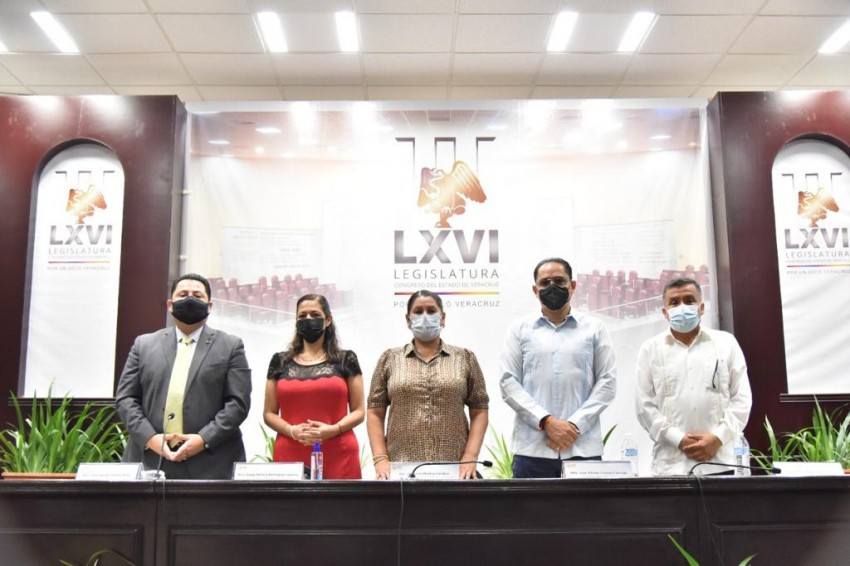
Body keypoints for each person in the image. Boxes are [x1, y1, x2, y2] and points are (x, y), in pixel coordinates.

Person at [115, 273, 252, 480]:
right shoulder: (143, 345)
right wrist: (151, 438)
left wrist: (203, 439)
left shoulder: (231, 346)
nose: (190, 299)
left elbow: (238, 403)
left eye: (197, 295)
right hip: (149, 459)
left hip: (212, 463)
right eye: (183, 294)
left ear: (209, 305)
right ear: (170, 305)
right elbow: (126, 398)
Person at [500, 258, 617, 478]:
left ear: (572, 285)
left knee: (586, 504)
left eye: (559, 281)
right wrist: (547, 422)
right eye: (545, 283)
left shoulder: (595, 328)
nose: (552, 287)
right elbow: (508, 382)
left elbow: (607, 382)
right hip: (532, 451)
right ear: (535, 290)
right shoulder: (519, 330)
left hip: (582, 448)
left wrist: (573, 425)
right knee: (529, 503)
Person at [367, 290, 489, 480]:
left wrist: (470, 456)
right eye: (418, 311)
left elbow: (480, 409)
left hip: (455, 469)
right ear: (408, 320)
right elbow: (375, 412)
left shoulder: (464, 358)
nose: (425, 316)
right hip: (401, 470)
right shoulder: (389, 359)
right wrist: (380, 459)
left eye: (431, 311)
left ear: (443, 318)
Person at [636, 277, 752, 476]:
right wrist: (679, 440)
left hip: (721, 462)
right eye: (674, 302)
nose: (682, 307)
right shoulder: (650, 349)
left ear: (701, 307)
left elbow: (742, 399)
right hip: (671, 465)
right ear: (665, 312)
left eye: (689, 301)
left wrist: (717, 438)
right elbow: (644, 407)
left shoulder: (726, 343)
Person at [264, 294, 364, 479]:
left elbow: (359, 411)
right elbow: (269, 413)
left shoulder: (346, 359)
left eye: (315, 314)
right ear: (296, 321)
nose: (308, 319)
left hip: (339, 453)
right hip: (290, 452)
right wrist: (291, 431)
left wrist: (334, 430)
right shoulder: (279, 361)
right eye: (302, 316)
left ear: (328, 320)